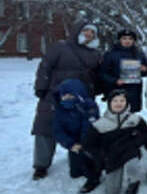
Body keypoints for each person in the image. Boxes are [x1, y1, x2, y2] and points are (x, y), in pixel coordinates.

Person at [31, 20, 102, 180]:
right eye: (86, 31)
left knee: (81, 129)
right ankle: (41, 164)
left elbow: (97, 76)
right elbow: (45, 66)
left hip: (81, 97)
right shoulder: (60, 47)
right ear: (77, 31)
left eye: (92, 33)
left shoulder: (95, 54)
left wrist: (98, 91)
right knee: (46, 127)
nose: (89, 35)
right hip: (55, 94)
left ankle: (80, 160)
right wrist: (41, 87)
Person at [82, 89, 147, 194]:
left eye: (122, 101)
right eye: (115, 101)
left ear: (127, 103)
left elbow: (146, 133)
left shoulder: (134, 119)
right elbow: (88, 145)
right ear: (109, 103)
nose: (119, 104)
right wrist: (102, 156)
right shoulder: (99, 124)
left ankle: (134, 181)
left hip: (129, 151)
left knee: (133, 165)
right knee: (112, 192)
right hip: (112, 156)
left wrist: (136, 142)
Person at [52, 79, 100, 190]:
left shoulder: (89, 106)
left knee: (91, 163)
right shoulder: (59, 110)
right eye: (64, 96)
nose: (66, 99)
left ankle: (95, 174)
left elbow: (90, 123)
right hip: (73, 142)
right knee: (75, 173)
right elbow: (57, 131)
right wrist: (70, 144)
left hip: (90, 140)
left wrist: (85, 143)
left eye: (70, 96)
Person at [100, 29, 147, 113]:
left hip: (134, 92)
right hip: (117, 92)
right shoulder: (111, 54)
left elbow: (146, 71)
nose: (127, 41)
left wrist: (144, 69)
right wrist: (115, 81)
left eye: (130, 39)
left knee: (132, 118)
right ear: (119, 40)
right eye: (124, 38)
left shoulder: (139, 54)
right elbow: (102, 74)